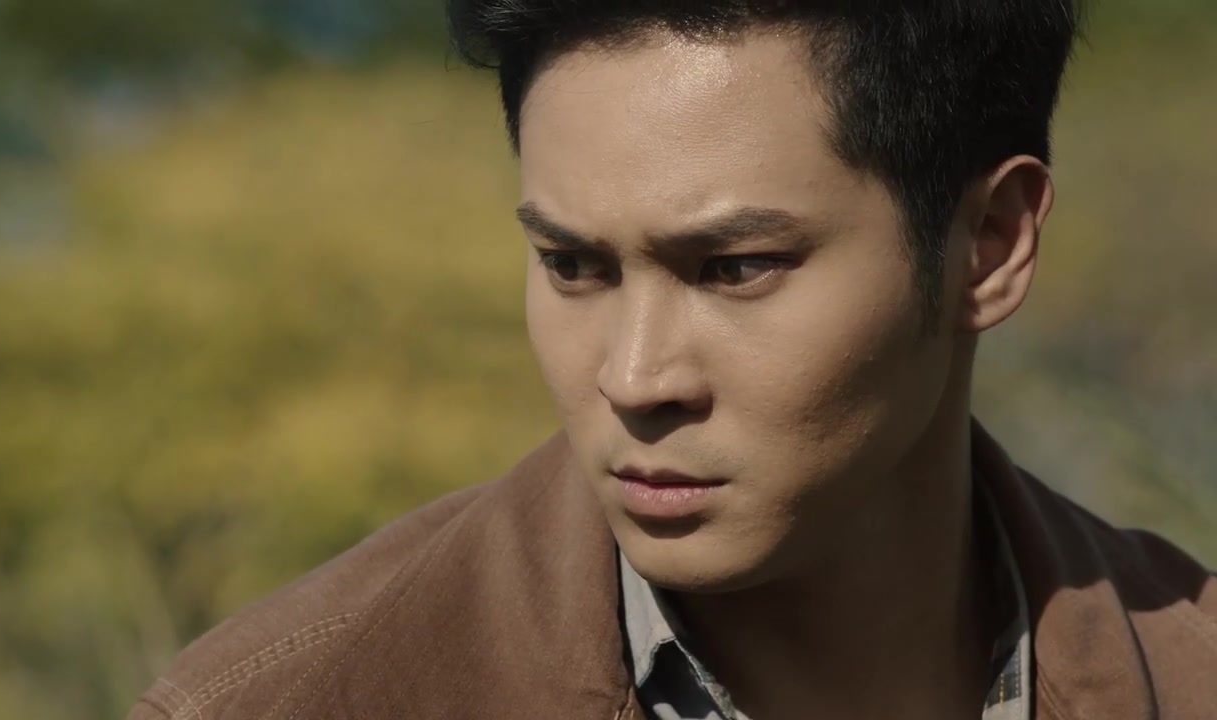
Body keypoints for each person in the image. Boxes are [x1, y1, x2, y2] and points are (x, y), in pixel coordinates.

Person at [127, 2, 1217, 718]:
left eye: (734, 268)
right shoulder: (295, 701)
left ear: (989, 244)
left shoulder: (1191, 669)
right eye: (572, 265)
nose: (634, 378)